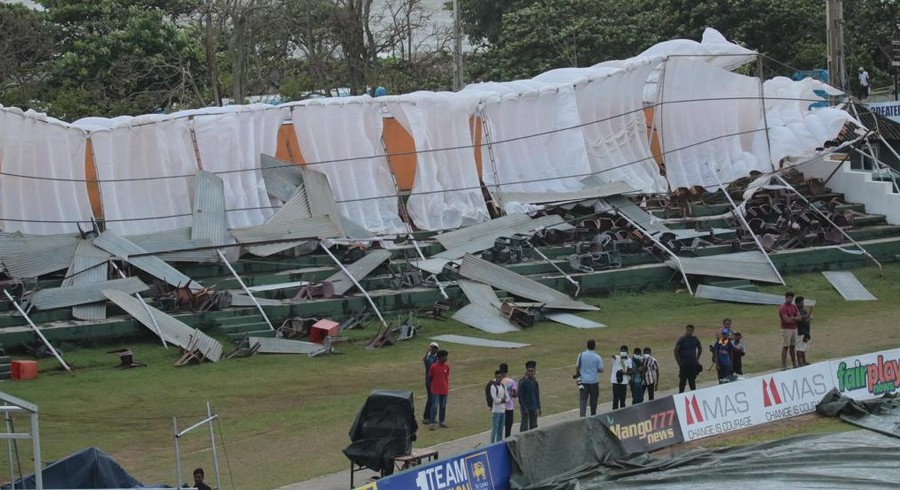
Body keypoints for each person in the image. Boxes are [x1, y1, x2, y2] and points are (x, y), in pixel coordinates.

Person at [576, 339, 604, 417]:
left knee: (583, 399)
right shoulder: (597, 357)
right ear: (594, 346)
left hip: (584, 381)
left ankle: (582, 415)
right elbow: (601, 370)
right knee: (594, 399)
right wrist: (594, 369)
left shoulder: (581, 355)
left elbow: (577, 367)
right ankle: (593, 414)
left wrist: (578, 376)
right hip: (594, 381)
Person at [674, 324, 703, 393]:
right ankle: (680, 395)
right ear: (686, 330)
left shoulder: (694, 339)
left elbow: (700, 348)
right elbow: (675, 350)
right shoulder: (682, 339)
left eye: (691, 330)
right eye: (688, 330)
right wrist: (678, 362)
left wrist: (697, 358)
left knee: (692, 380)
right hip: (684, 364)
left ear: (693, 331)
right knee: (682, 381)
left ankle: (693, 394)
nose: (689, 332)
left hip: (692, 364)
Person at [427, 349, 450, 430]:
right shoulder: (433, 366)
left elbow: (446, 377)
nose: (446, 358)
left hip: (444, 389)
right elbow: (430, 377)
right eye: (445, 356)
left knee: (443, 406)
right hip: (436, 390)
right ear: (440, 357)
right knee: (434, 407)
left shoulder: (447, 366)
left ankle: (441, 421)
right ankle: (432, 423)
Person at [779, 292, 801, 370]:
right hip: (786, 329)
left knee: (793, 346)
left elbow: (799, 317)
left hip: (794, 328)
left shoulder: (794, 306)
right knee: (785, 346)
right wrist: (794, 318)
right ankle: (784, 365)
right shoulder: (783, 308)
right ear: (785, 298)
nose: (790, 300)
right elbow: (786, 320)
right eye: (788, 298)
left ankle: (794, 363)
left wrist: (792, 318)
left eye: (791, 298)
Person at [518, 360, 541, 431]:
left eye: (532, 371)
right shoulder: (523, 382)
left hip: (533, 407)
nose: (530, 373)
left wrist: (539, 407)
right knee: (524, 427)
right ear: (526, 371)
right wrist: (524, 408)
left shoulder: (535, 382)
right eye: (529, 371)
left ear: (535, 371)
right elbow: (520, 396)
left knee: (534, 427)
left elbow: (537, 395)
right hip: (526, 407)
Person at [422, 342, 439, 424]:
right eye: (433, 348)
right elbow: (424, 359)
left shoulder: (437, 357)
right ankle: (426, 417)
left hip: (436, 381)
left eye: (436, 348)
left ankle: (431, 417)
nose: (434, 349)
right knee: (430, 399)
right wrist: (427, 351)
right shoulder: (428, 357)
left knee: (434, 400)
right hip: (429, 381)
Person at [610, 345, 633, 410]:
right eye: (621, 350)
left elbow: (630, 371)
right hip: (615, 381)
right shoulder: (616, 358)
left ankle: (622, 415)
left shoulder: (629, 360)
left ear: (627, 351)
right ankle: (614, 415)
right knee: (615, 399)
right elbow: (613, 357)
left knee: (622, 400)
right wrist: (613, 357)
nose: (623, 352)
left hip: (624, 382)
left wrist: (624, 373)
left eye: (624, 351)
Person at [489, 370, 508, 443]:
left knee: (500, 429)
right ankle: (492, 443)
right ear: (495, 377)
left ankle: (499, 442)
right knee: (495, 429)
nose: (498, 379)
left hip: (503, 411)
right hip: (496, 411)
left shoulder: (503, 386)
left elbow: (508, 398)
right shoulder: (493, 387)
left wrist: (503, 400)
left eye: (500, 377)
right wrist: (502, 400)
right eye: (497, 377)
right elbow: (495, 400)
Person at [499, 363, 517, 438]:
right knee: (508, 428)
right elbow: (515, 395)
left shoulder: (497, 382)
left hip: (500, 407)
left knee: (499, 428)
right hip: (509, 407)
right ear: (507, 371)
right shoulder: (511, 381)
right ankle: (507, 441)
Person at [795, 296, 813, 366]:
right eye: (801, 303)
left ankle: (804, 360)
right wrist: (810, 312)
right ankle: (799, 362)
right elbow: (803, 319)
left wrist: (809, 316)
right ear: (797, 303)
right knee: (799, 347)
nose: (803, 304)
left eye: (803, 302)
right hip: (800, 330)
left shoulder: (804, 310)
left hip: (806, 330)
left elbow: (810, 317)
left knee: (803, 347)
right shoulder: (797, 311)